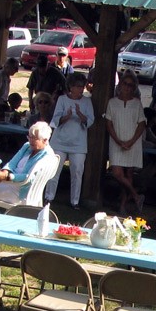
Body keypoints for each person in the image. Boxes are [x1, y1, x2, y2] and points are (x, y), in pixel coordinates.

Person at [47, 74, 94, 209]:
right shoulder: (62, 99)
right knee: (54, 170)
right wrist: (65, 117)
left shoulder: (86, 101)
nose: (81, 89)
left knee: (77, 171)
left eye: (82, 87)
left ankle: (75, 201)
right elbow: (55, 120)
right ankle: (49, 197)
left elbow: (90, 121)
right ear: (71, 87)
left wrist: (80, 114)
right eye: (78, 86)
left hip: (78, 143)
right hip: (60, 141)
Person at [106, 71, 147, 216]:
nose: (127, 87)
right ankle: (136, 196)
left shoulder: (136, 104)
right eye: (125, 84)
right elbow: (109, 124)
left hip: (132, 142)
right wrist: (118, 141)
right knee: (117, 172)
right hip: (116, 142)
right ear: (120, 84)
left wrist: (131, 141)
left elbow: (141, 124)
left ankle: (122, 206)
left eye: (131, 85)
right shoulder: (112, 102)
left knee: (128, 173)